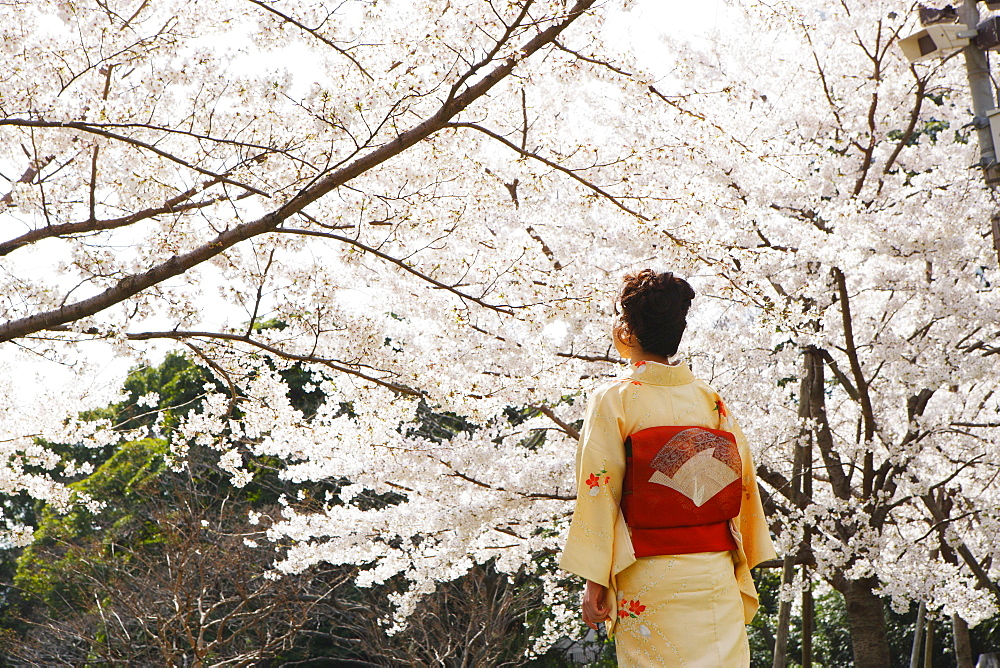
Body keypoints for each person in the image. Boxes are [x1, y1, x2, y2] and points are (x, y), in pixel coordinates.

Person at [559, 269, 776, 667]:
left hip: (649, 575)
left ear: (625, 330)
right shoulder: (709, 399)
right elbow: (741, 482)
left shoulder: (614, 399)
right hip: (714, 575)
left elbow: (599, 492)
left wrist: (595, 580)